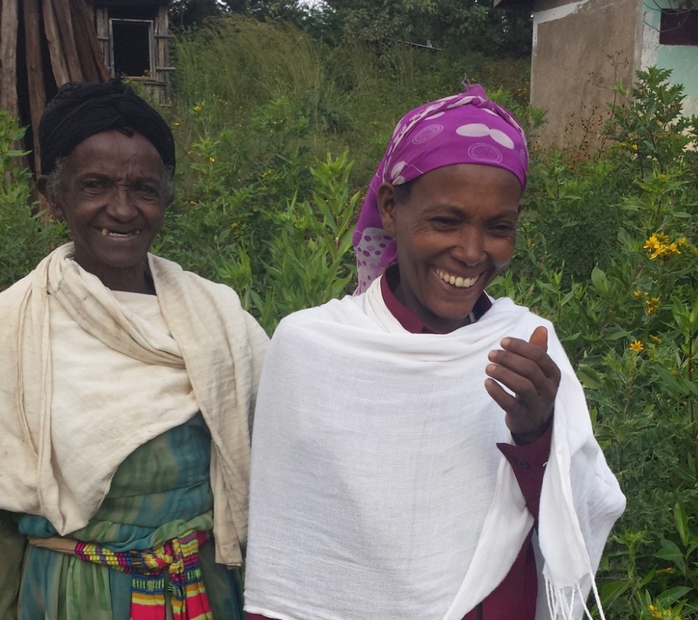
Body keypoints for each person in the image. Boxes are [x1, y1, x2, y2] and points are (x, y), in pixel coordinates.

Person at [242, 84, 625, 620]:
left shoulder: (528, 347)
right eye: (446, 221)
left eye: (499, 228)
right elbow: (292, 545)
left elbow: (574, 524)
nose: (471, 252)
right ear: (392, 208)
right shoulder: (312, 349)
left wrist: (537, 434)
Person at [0, 80, 269, 620]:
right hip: (72, 597)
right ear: (54, 196)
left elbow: (283, 450)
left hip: (207, 591)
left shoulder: (218, 316)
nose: (122, 210)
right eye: (95, 185)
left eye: (143, 189)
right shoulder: (14, 327)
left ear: (166, 197)